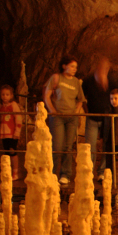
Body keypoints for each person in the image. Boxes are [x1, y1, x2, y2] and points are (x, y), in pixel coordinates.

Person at [42, 56, 85, 186]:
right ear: (64, 66)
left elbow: (80, 99)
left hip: (71, 118)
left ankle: (65, 174)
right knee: (57, 146)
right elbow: (47, 95)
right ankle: (53, 172)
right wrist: (52, 110)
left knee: (68, 146)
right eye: (72, 66)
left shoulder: (76, 82)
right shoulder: (56, 78)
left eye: (76, 67)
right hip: (58, 117)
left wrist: (76, 111)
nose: (74, 69)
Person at [82, 56, 118, 177]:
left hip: (106, 119)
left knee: (106, 145)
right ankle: (89, 170)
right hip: (92, 118)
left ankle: (102, 171)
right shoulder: (88, 81)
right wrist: (86, 111)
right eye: (100, 68)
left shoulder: (111, 81)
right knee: (90, 146)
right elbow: (82, 97)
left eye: (105, 68)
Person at [0, 85, 23, 181]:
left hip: (12, 133)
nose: (5, 96)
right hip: (4, 133)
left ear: (11, 95)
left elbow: (18, 118)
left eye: (7, 94)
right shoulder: (2, 107)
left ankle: (15, 172)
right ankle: (8, 171)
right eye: (3, 94)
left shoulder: (13, 106)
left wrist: (17, 131)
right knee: (7, 152)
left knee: (12, 151)